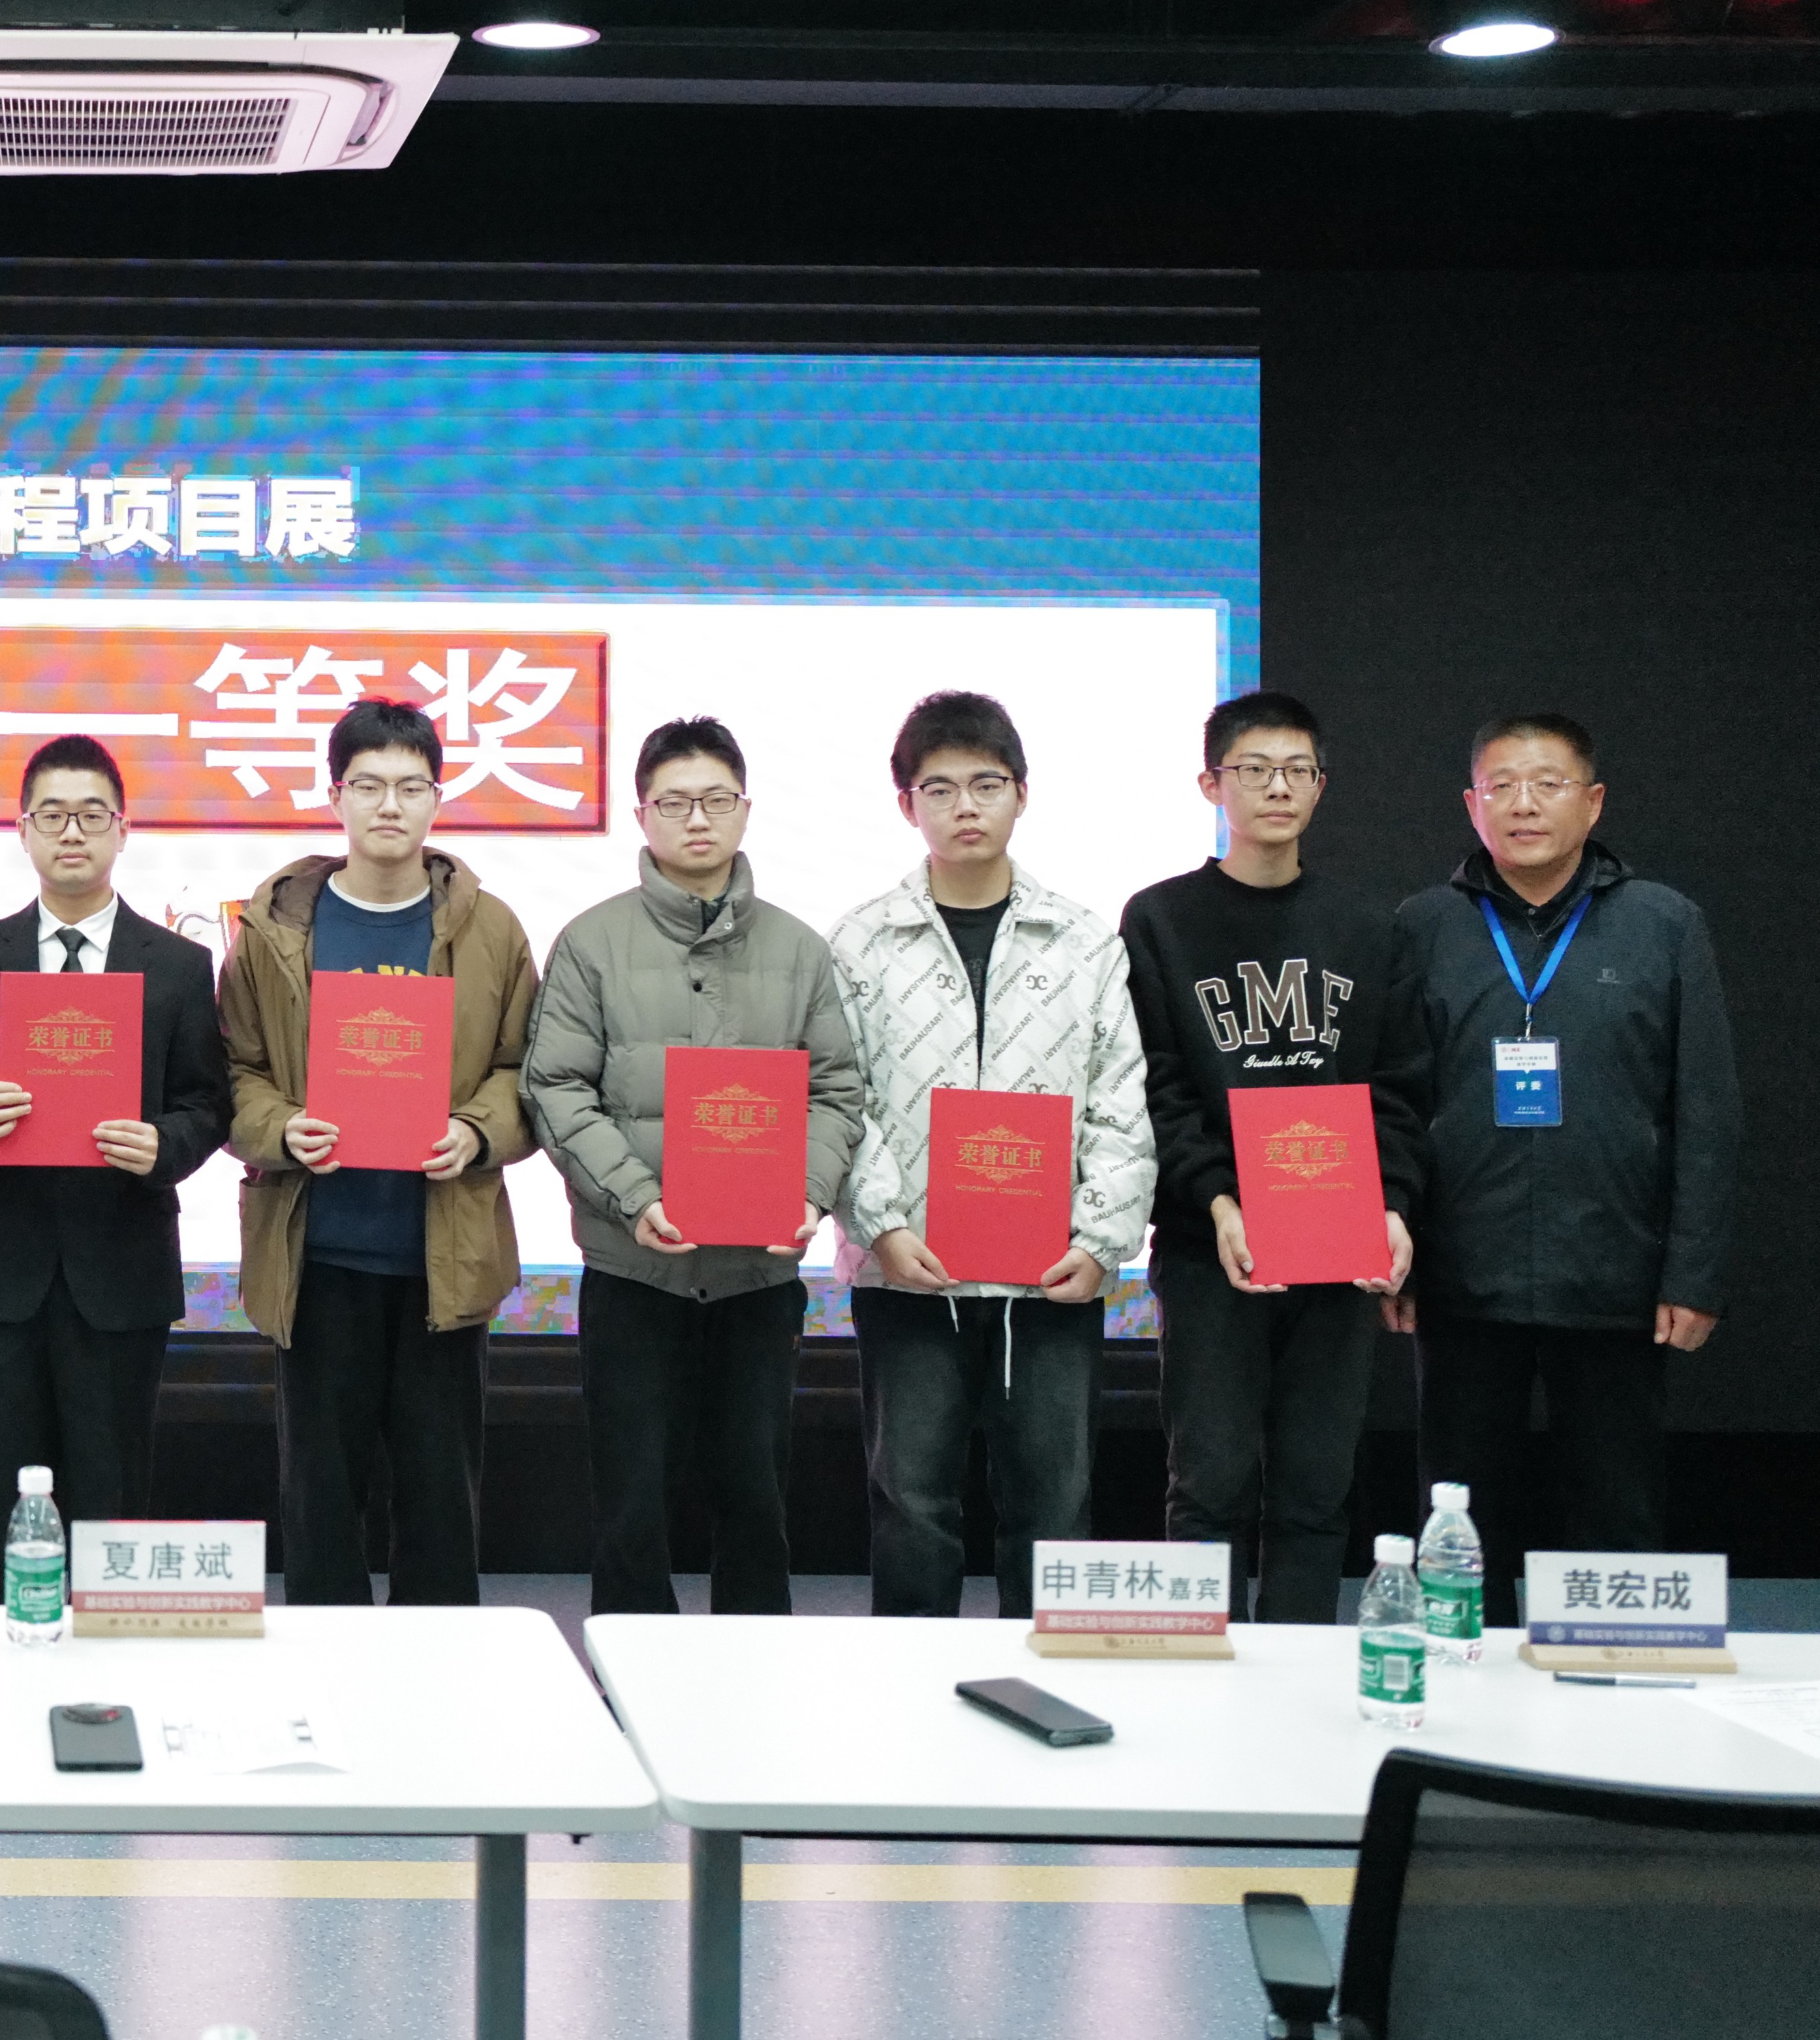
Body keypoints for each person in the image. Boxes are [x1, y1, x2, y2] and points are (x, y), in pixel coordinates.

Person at [1392, 710, 1736, 1622]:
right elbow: (1393, 1102)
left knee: (1615, 1506)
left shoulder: (1663, 923)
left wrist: (1691, 1273)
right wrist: (1398, 1252)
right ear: (1471, 805)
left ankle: (1614, 1674)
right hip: (1462, 1274)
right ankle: (1458, 1679)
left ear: (1592, 802)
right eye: (1500, 785)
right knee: (1459, 1516)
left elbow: (1706, 1111)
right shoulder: (1424, 925)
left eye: (1547, 784)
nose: (1522, 804)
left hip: (1615, 1272)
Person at [522, 717, 862, 1618]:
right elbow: (554, 1088)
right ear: (641, 815)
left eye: (715, 799)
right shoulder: (590, 941)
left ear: (745, 809)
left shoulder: (799, 949)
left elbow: (837, 1091)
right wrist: (634, 1198)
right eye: (674, 803)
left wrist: (807, 1192)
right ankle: (626, 1672)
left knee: (755, 1500)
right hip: (633, 1269)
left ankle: (753, 1676)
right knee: (628, 1507)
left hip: (756, 1276)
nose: (697, 819)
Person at [829, 690, 1154, 1618]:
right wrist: (882, 1226)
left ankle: (1043, 1685)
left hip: (1048, 1278)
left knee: (1053, 1506)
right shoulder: (859, 941)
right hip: (907, 1272)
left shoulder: (1084, 940)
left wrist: (1098, 1241)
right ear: (907, 805)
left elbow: (1121, 1099)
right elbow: (840, 1098)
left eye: (985, 784)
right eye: (938, 788)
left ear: (1021, 794)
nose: (964, 806)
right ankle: (909, 1688)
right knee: (911, 1505)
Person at [220, 696, 538, 1607]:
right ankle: (326, 1671)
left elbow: (526, 1069)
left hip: (443, 1256)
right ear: (335, 796)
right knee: (319, 1500)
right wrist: (281, 1126)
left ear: (437, 797)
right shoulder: (273, 929)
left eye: (410, 786)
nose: (389, 805)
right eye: (368, 785)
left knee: (440, 1502)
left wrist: (475, 1128)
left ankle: (435, 1679)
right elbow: (234, 1070)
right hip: (316, 1255)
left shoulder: (491, 930)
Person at [1118, 691, 1426, 1624]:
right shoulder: (1159, 918)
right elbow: (1156, 1083)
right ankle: (1199, 1667)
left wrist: (1392, 1205)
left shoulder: (1368, 924)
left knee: (1315, 1488)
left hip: (1336, 1245)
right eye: (1253, 769)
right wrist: (1217, 1201)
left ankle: (1298, 1675)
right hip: (1209, 1243)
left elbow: (1398, 1086)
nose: (1276, 787)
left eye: (1296, 770)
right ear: (1210, 783)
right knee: (1207, 1482)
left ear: (1321, 786)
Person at [0, 735, 232, 1599]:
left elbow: (208, 1104)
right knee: (4, 1495)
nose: (71, 832)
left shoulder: (178, 965)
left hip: (121, 1265)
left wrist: (163, 1145)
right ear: (21, 829)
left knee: (111, 1490)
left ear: (122, 829)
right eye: (51, 814)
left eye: (91, 815)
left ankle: (113, 1654)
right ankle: (6, 1645)